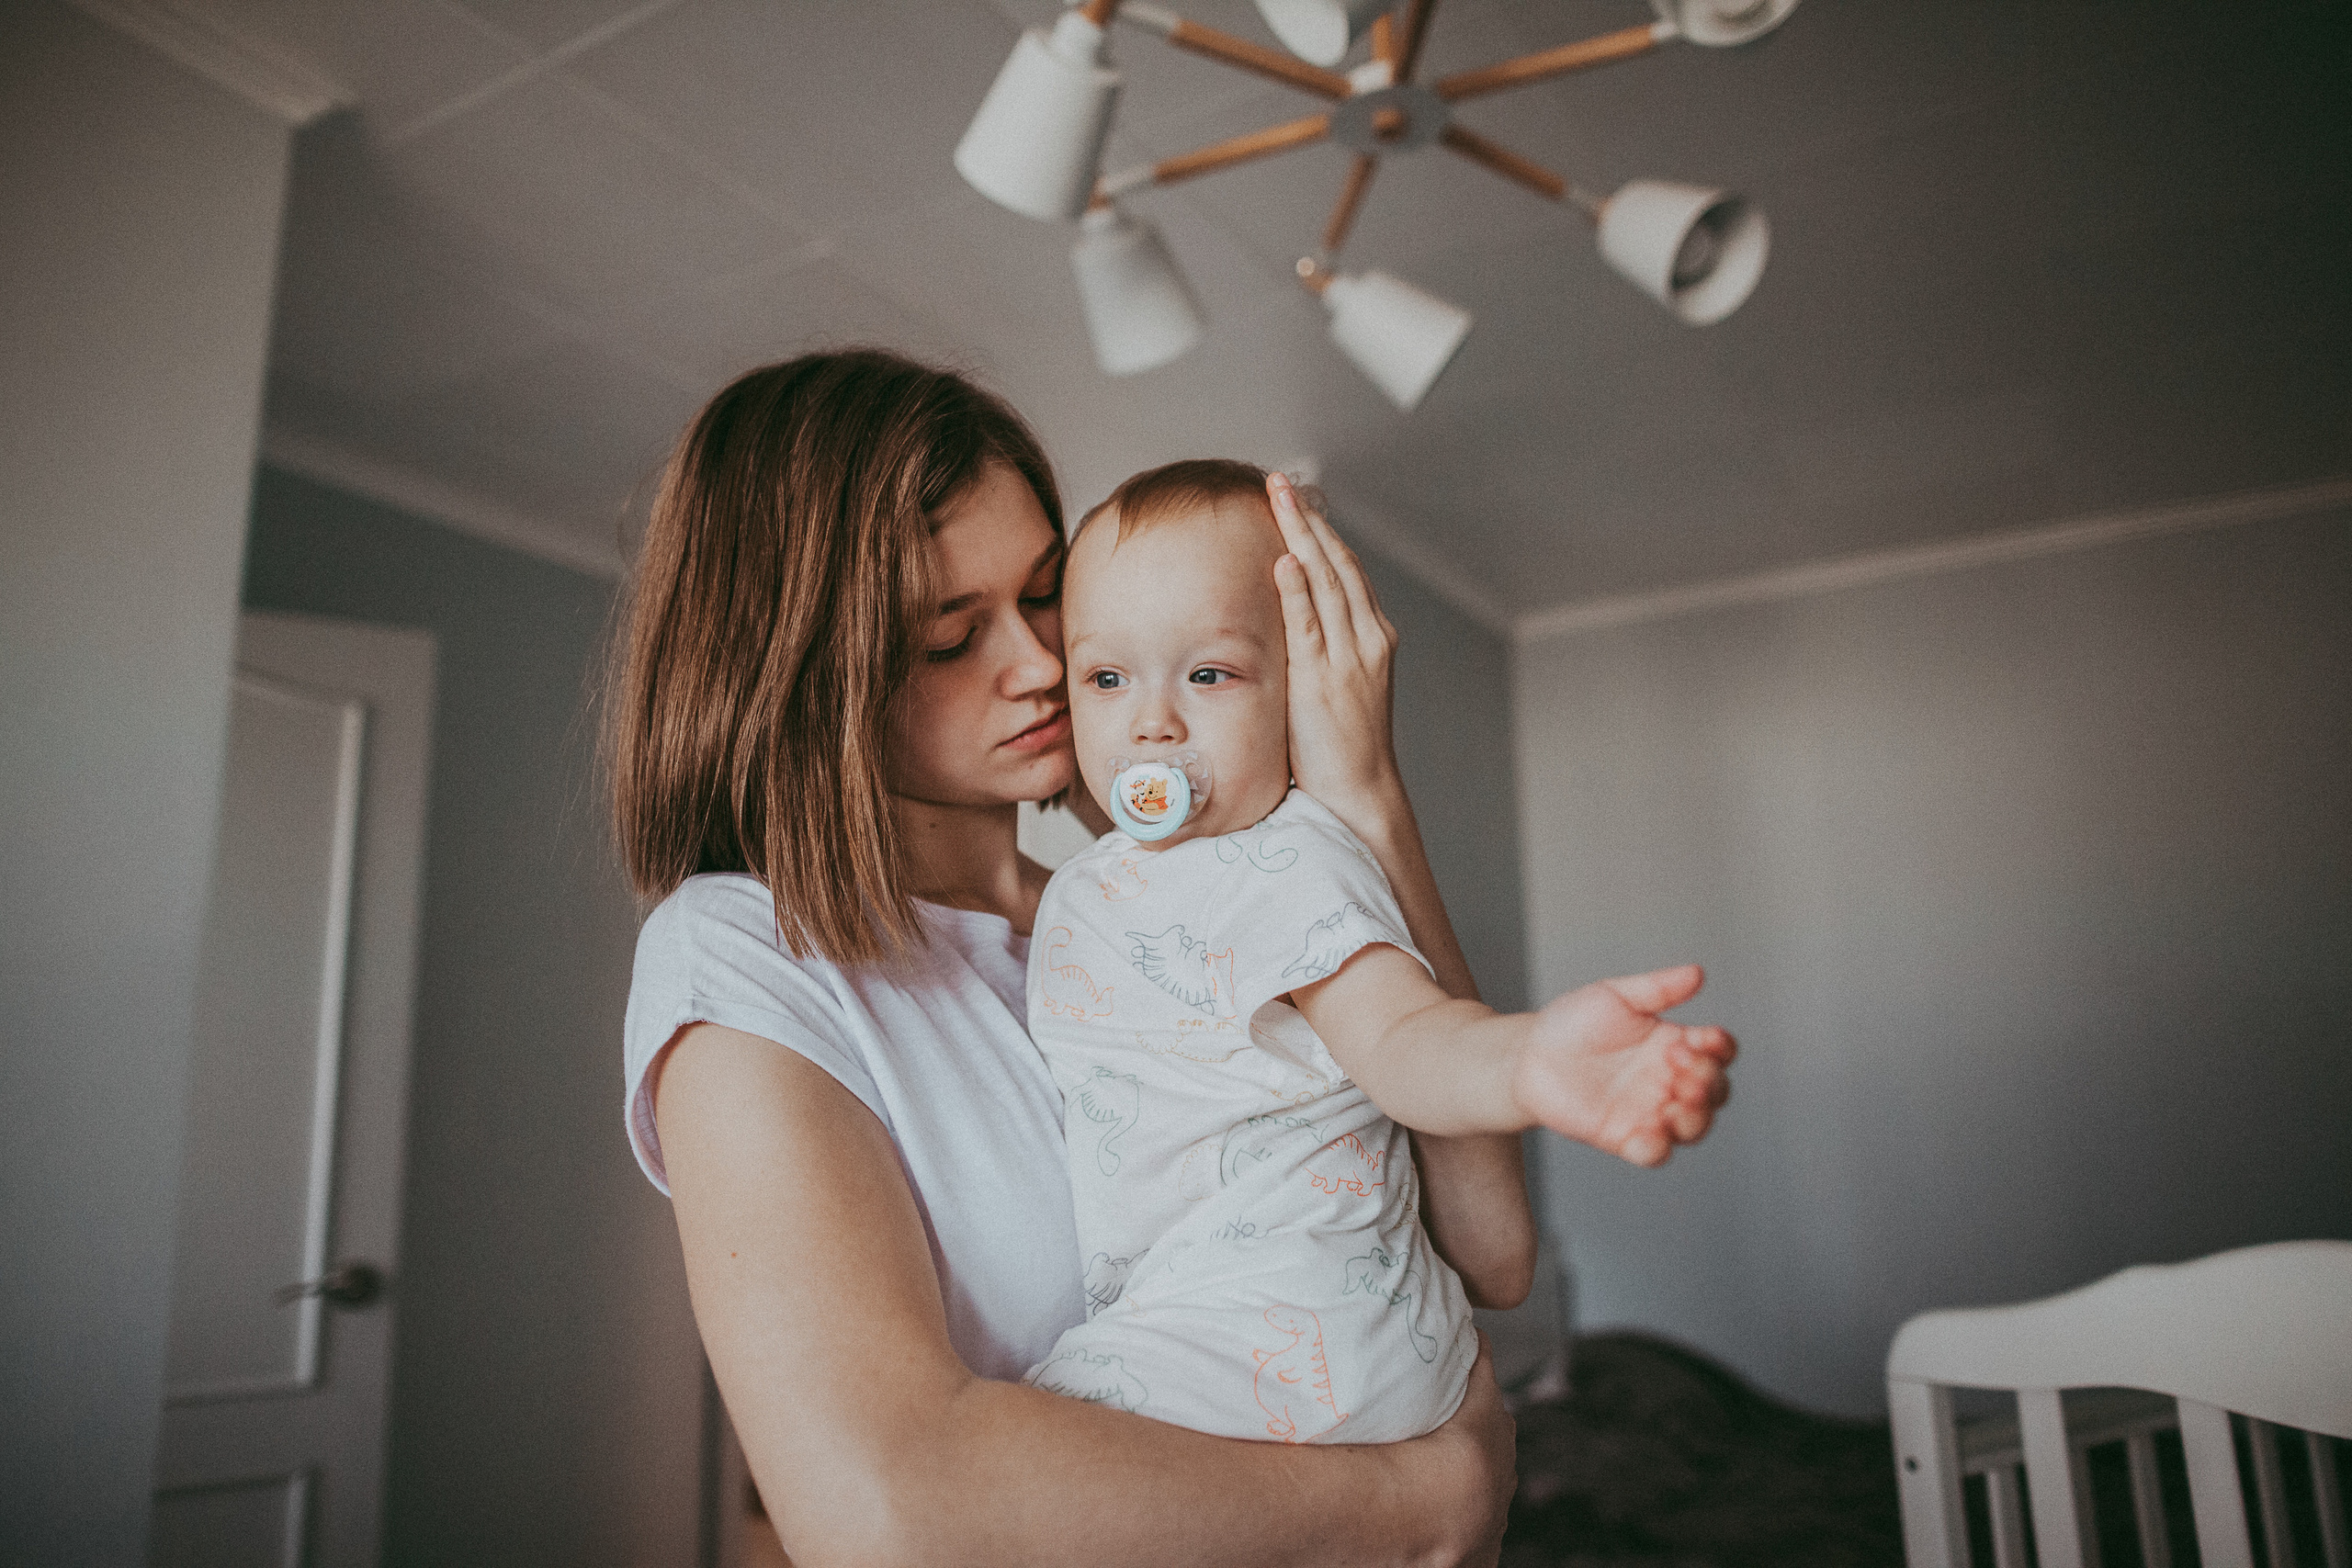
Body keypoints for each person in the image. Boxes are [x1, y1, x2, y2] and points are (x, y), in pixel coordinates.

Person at [610, 349, 1524, 1566]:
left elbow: (1492, 1247)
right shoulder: (744, 959)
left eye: (1043, 594)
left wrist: (1363, 800)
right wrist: (1426, 1507)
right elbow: (892, 1509)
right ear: (810, 671)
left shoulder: (1159, 904)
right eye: (952, 633)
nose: (1040, 663)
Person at [1021, 459, 1734, 1447]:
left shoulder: (1280, 860)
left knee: (1010, 1462)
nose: (1153, 721)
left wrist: (1528, 1061)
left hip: (1295, 1317)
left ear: (1303, 694)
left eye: (1209, 674)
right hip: (1226, 1321)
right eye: (1107, 677)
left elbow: (1403, 1035)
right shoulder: (1096, 886)